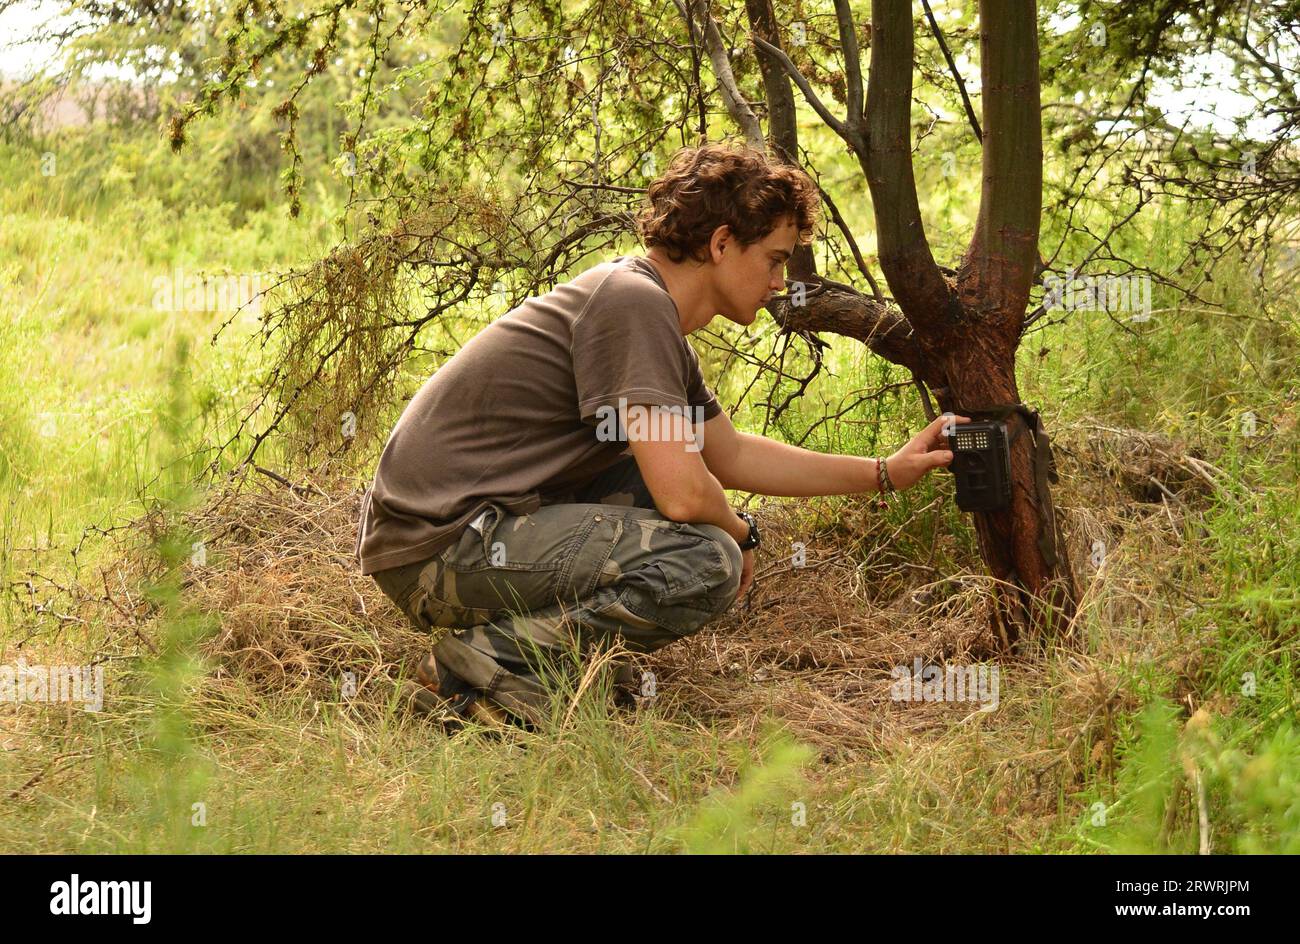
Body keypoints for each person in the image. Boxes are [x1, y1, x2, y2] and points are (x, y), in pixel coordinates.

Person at [356, 140, 967, 730]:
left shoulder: (649, 315)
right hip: (439, 549)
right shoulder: (631, 304)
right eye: (776, 259)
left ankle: (535, 667)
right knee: (707, 557)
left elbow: (728, 455)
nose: (782, 281)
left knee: (681, 515)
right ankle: (484, 660)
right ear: (723, 244)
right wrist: (742, 534)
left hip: (463, 536)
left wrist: (886, 470)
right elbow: (684, 494)